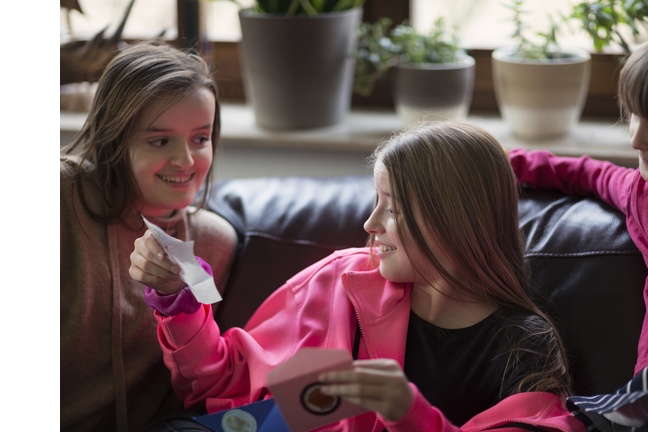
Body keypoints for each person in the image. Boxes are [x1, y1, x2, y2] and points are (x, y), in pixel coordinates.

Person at [130, 121, 586, 431]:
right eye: (376, 201)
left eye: (393, 207)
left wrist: (406, 412)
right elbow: (222, 383)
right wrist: (181, 300)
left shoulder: (524, 345)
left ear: (453, 218)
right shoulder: (343, 280)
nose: (370, 224)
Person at [507, 23, 648, 431]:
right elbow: (585, 173)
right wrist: (502, 164)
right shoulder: (641, 194)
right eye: (634, 116)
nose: (636, 139)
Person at [60, 42, 239, 432]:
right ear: (116, 140)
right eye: (160, 141)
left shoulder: (214, 243)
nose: (186, 162)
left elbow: (201, 380)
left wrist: (181, 297)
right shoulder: (61, 195)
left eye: (200, 138)